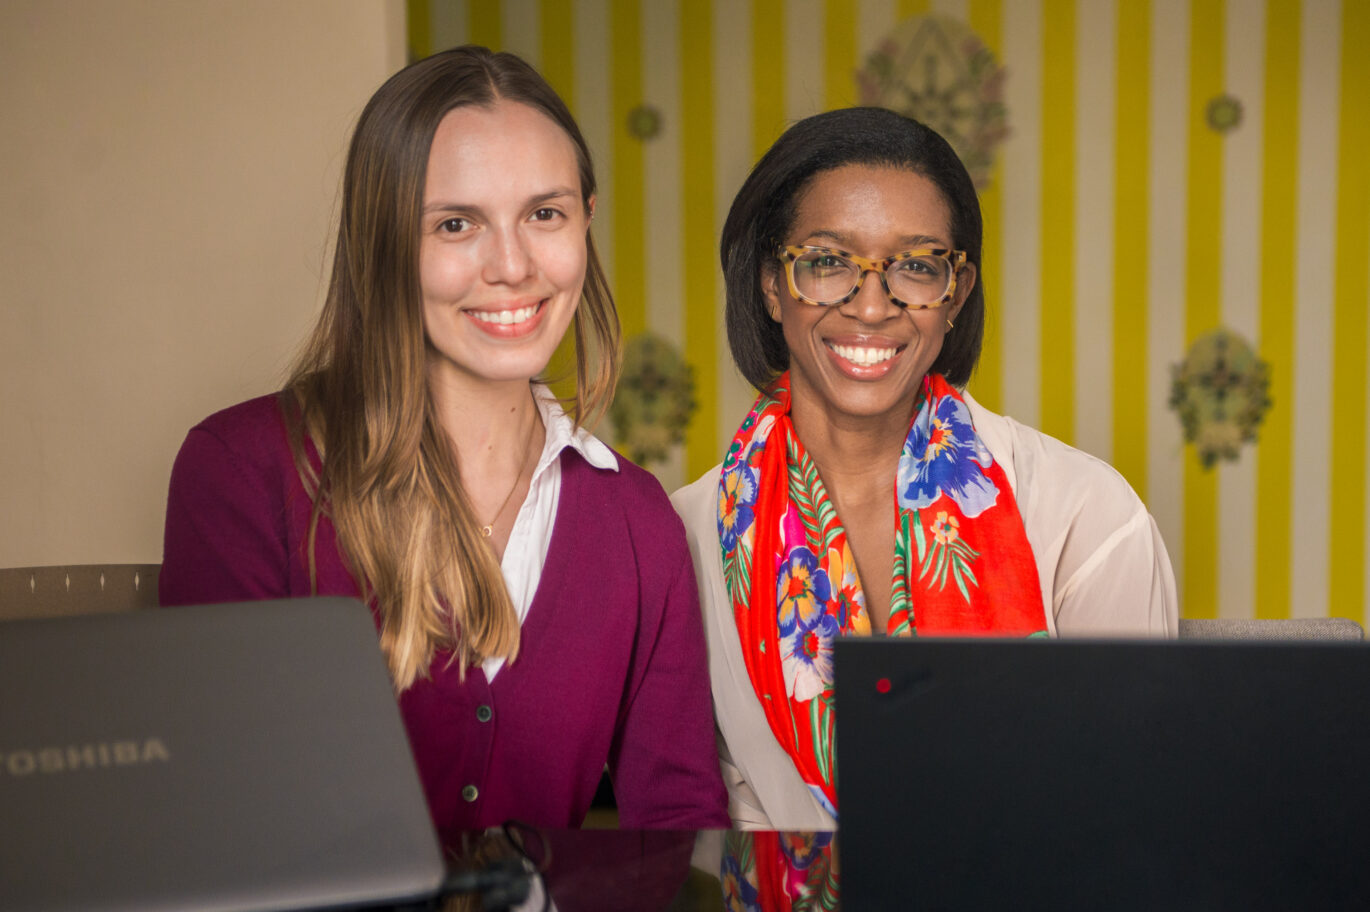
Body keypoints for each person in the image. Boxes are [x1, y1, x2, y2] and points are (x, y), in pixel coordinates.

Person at [160, 45, 729, 845]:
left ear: (586, 222)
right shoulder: (243, 471)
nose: (511, 266)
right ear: (384, 242)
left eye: (545, 214)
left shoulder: (638, 523)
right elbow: (214, 819)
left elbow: (678, 836)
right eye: (455, 224)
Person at [671, 107, 1178, 836]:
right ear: (771, 285)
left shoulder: (1085, 517)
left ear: (956, 292)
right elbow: (712, 829)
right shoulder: (683, 539)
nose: (872, 306)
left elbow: (1137, 815)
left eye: (916, 265)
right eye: (827, 261)